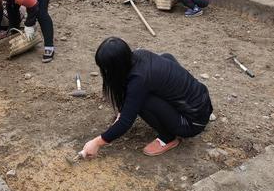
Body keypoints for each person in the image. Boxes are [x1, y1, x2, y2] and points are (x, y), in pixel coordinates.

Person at [81, 37, 213, 158]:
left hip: (191, 123)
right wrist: (123, 110)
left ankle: (168, 138)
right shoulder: (140, 55)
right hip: (201, 104)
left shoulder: (139, 80)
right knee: (165, 57)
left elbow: (126, 121)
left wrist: (96, 143)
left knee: (142, 100)